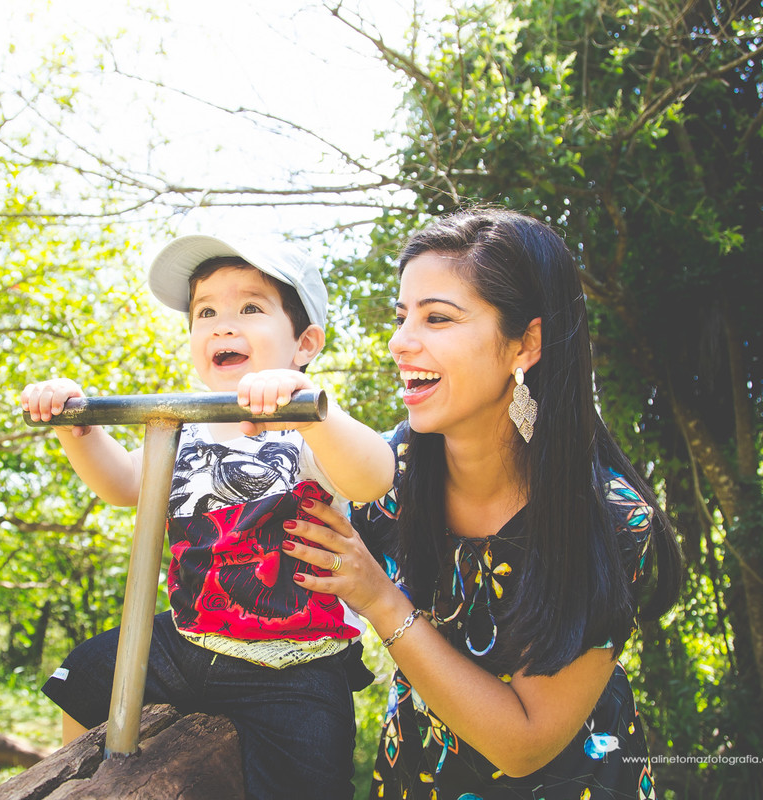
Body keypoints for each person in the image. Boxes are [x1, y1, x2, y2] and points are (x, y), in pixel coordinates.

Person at [279, 209, 682, 799]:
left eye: (437, 317)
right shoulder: (385, 477)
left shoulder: (612, 521)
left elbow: (524, 744)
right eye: (401, 317)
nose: (399, 342)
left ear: (526, 344)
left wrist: (380, 601)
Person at [20, 234, 395, 799]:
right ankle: (84, 780)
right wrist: (81, 430)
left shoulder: (309, 427)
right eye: (206, 312)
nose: (223, 324)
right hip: (186, 638)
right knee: (90, 672)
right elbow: (123, 486)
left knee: (310, 774)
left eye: (250, 307)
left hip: (289, 659)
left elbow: (374, 476)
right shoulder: (181, 426)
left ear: (305, 343)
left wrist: (314, 408)